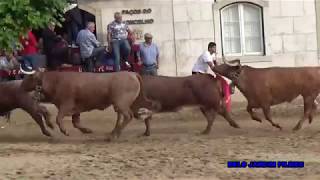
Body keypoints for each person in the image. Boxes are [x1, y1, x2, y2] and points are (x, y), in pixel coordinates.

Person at [192, 42, 232, 112]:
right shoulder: (206, 54)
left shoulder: (212, 54)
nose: (215, 49)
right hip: (197, 72)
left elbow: (216, 63)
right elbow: (212, 66)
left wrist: (221, 68)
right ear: (210, 48)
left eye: (215, 48)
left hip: (203, 73)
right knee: (204, 88)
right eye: (214, 48)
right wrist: (220, 73)